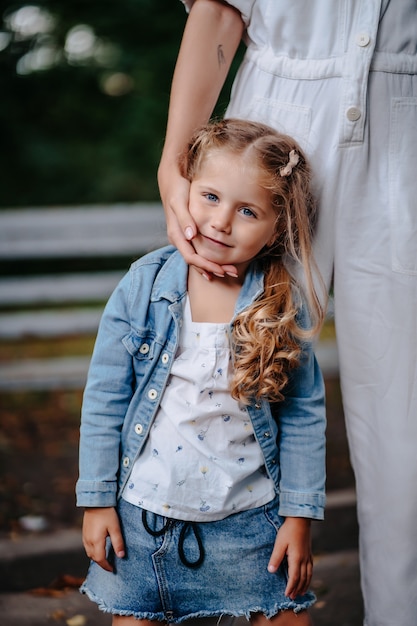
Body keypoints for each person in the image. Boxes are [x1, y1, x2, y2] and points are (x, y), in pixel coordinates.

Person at [157, 2, 417, 625]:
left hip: (406, 134)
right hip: (267, 139)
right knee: (223, 394)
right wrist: (176, 165)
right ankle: (215, 605)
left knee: (406, 429)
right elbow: (220, 11)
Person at [76, 118, 327, 626]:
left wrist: (299, 516)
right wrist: (97, 501)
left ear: (278, 226)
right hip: (142, 523)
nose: (220, 221)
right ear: (187, 189)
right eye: (210, 196)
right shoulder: (144, 286)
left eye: (248, 210)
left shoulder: (280, 305)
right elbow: (104, 397)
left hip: (251, 524)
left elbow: (302, 414)